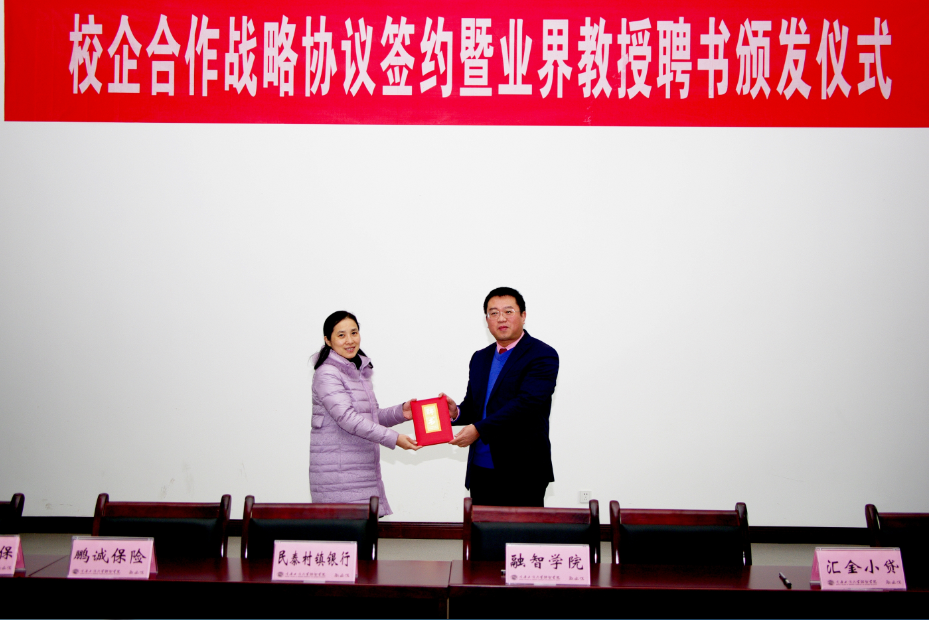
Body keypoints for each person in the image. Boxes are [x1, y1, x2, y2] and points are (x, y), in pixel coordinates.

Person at [443, 287, 559, 507]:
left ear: (523, 315)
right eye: (493, 313)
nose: (501, 318)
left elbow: (526, 404)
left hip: (524, 470)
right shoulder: (480, 358)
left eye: (508, 311)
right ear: (487, 320)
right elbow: (475, 406)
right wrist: (456, 412)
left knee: (522, 530)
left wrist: (479, 429)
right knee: (481, 529)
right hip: (481, 468)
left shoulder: (543, 354)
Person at [309, 310, 419, 517]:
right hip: (339, 476)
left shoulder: (357, 372)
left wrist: (401, 412)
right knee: (347, 534)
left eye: (354, 333)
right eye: (341, 335)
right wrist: (395, 439)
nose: (350, 340)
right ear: (328, 340)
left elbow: (371, 417)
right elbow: (348, 419)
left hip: (360, 470)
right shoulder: (327, 373)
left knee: (364, 533)